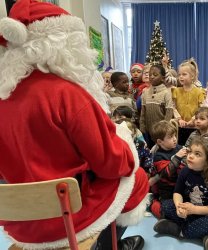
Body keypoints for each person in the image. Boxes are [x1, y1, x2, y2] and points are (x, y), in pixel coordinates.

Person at [0, 1, 148, 249]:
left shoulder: (3, 96)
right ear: (64, 44)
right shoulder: (67, 94)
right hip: (67, 217)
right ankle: (105, 244)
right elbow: (112, 164)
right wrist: (124, 142)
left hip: (19, 219)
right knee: (137, 176)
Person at [153, 137, 208, 250]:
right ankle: (201, 234)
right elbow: (177, 192)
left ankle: (179, 231)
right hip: (188, 210)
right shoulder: (185, 171)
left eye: (197, 154)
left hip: (205, 213)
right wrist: (179, 207)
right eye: (190, 151)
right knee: (166, 205)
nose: (190, 156)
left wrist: (194, 210)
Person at [149, 120, 187, 218]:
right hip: (168, 191)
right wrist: (177, 157)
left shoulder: (178, 148)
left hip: (182, 188)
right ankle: (153, 204)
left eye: (175, 136)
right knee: (167, 209)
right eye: (170, 137)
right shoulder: (159, 156)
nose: (175, 139)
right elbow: (166, 173)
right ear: (159, 142)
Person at [172, 59, 205, 145]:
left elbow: (201, 108)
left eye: (184, 74)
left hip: (194, 127)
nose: (181, 77)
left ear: (192, 76)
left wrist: (193, 119)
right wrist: (179, 119)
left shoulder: (199, 92)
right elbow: (173, 107)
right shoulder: (176, 91)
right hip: (179, 127)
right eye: (179, 75)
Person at [140, 64, 174, 147]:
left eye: (155, 75)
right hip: (148, 131)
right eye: (150, 74)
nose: (151, 77)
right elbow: (143, 112)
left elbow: (169, 112)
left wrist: (164, 129)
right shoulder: (145, 92)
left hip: (161, 132)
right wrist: (142, 127)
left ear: (162, 78)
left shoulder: (166, 92)